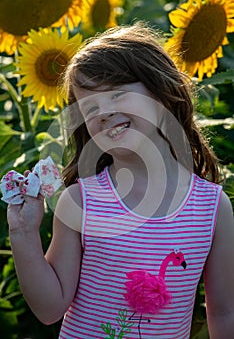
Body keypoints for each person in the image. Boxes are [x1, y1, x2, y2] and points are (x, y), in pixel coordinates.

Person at [7, 22, 234, 339]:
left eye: (118, 94)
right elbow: (49, 310)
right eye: (90, 106)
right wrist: (23, 234)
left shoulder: (212, 208)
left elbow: (223, 311)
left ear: (160, 93)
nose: (104, 112)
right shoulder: (81, 201)